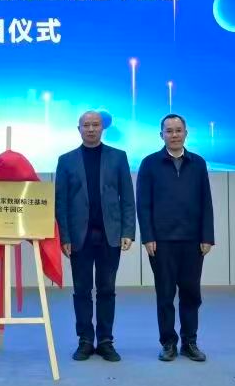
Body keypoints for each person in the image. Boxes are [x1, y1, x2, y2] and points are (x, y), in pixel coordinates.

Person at [55, 111, 136, 362]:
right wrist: (64, 237)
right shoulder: (66, 160)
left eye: (95, 125)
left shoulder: (118, 157)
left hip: (110, 235)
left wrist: (128, 231)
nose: (91, 129)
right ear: (78, 129)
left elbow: (127, 197)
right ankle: (85, 340)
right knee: (81, 290)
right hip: (78, 237)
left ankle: (106, 341)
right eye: (86, 125)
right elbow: (61, 203)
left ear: (103, 128)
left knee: (106, 289)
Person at [136, 114, 214, 363]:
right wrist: (148, 236)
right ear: (161, 135)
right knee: (165, 294)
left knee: (191, 294)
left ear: (186, 133)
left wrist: (207, 236)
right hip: (161, 242)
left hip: (193, 241)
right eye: (169, 131)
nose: (174, 135)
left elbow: (206, 202)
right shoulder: (150, 163)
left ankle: (190, 343)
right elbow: (143, 205)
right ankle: (168, 343)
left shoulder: (198, 163)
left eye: (178, 130)